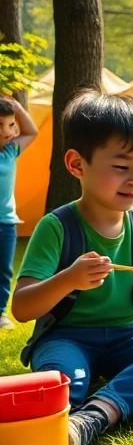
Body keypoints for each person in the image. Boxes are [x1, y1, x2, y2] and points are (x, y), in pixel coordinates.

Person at [13, 91, 133, 445]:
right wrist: (68, 280)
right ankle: (90, 399)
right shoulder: (57, 226)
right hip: (67, 337)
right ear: (78, 165)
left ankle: (95, 415)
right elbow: (22, 308)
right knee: (62, 381)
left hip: (128, 335)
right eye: (122, 167)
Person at [0, 95, 39, 330]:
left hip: (5, 223)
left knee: (4, 269)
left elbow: (31, 131)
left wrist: (15, 107)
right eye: (0, 125)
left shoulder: (11, 151)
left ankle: (0, 312)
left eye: (10, 124)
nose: (7, 132)